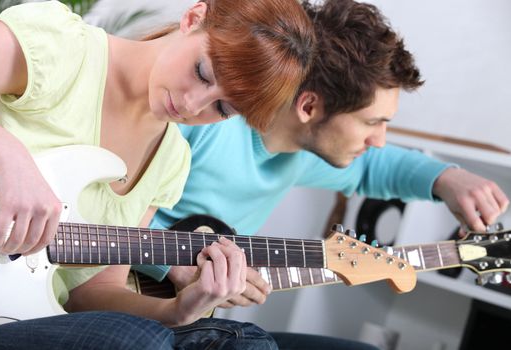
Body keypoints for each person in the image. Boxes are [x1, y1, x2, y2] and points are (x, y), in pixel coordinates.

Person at [145, 0, 509, 348]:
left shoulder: (301, 152)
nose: (379, 140)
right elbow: (96, 208)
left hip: (185, 319)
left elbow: (372, 168)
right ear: (309, 106)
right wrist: (173, 267)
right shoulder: (201, 114)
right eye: (372, 122)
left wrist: (446, 178)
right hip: (123, 292)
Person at [0, 0, 315, 349]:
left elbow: (89, 294)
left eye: (222, 108)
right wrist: (10, 155)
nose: (193, 105)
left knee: (247, 342)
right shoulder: (62, 45)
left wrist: (180, 309)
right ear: (193, 18)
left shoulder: (170, 160)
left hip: (10, 318)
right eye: (202, 72)